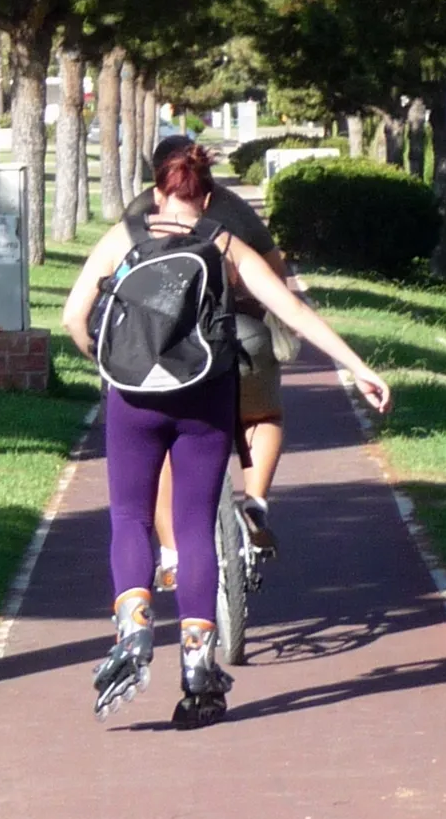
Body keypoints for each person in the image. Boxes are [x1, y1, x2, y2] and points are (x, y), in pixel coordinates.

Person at [62, 142, 390, 729]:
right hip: (204, 400)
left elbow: (73, 318)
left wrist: (109, 363)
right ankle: (197, 667)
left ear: (158, 191)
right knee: (193, 529)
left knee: (130, 518)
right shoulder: (224, 242)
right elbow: (291, 310)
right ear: (207, 194)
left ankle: (134, 626)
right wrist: (358, 366)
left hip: (133, 398)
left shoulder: (124, 238)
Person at [125, 133, 289, 579]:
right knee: (262, 416)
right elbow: (275, 271)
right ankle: (254, 503)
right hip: (240, 337)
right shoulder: (231, 209)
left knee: (161, 447)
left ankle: (174, 554)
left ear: (158, 179)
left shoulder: (140, 214)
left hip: (169, 355)